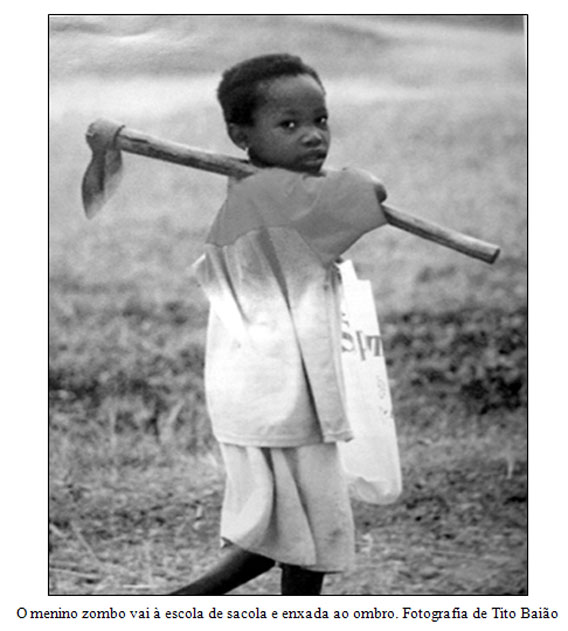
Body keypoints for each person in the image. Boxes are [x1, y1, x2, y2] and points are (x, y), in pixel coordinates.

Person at [169, 53, 388, 596]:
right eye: (288, 125)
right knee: (301, 533)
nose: (313, 136)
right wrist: (349, 181)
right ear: (240, 135)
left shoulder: (256, 190)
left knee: (294, 530)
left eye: (320, 119)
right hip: (281, 396)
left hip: (260, 394)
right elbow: (369, 191)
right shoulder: (273, 194)